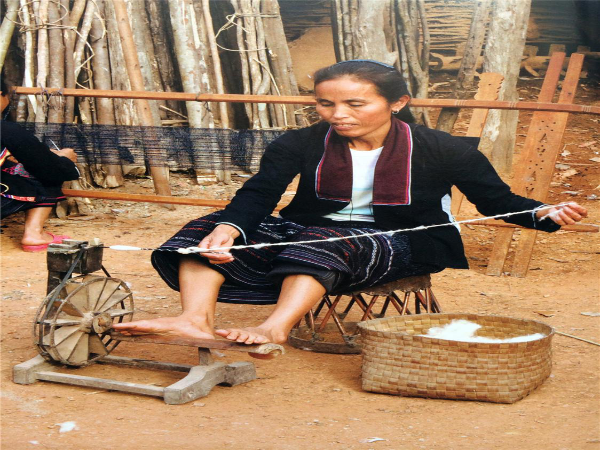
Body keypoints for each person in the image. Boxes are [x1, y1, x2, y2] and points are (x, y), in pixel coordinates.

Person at [113, 60, 587, 348]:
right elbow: (260, 192)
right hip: (309, 230)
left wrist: (543, 213)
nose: (337, 115)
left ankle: (275, 328)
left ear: (397, 103)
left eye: (355, 104)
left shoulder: (445, 149)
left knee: (326, 241)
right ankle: (195, 319)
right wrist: (231, 229)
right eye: (326, 104)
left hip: (402, 241)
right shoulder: (301, 142)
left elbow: (497, 201)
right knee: (203, 230)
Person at [1, 81, 80, 251]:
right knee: (51, 172)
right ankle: (34, 234)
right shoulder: (7, 130)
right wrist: (63, 159)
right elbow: (48, 168)